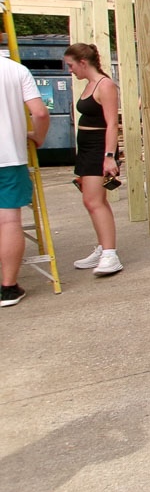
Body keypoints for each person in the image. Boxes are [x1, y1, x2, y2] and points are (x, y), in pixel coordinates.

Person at [64, 43, 124, 276]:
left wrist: (109, 157)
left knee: (94, 201)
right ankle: (103, 247)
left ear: (83, 62)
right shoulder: (90, 84)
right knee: (92, 200)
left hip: (100, 148)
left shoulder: (105, 84)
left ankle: (110, 253)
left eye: (70, 65)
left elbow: (111, 124)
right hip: (88, 148)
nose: (70, 70)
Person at [0, 53, 50, 307]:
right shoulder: (15, 70)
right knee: (9, 220)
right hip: (9, 157)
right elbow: (40, 113)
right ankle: (7, 287)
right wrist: (38, 137)